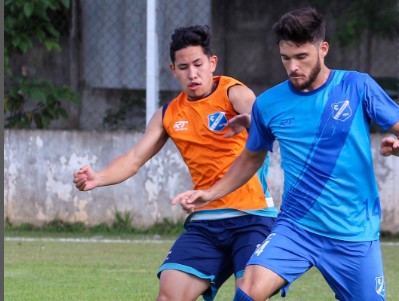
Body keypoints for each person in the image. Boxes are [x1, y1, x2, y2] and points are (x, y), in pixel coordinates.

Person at [172, 7, 399, 301]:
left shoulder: (356, 86)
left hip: (353, 233)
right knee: (248, 290)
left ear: (322, 49)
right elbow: (251, 159)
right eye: (285, 58)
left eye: (301, 57)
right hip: (296, 228)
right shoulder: (269, 104)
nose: (293, 67)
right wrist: (210, 194)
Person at [73, 25, 277, 301]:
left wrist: (253, 121)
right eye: (183, 67)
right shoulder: (168, 114)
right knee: (168, 297)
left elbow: (264, 125)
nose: (192, 73)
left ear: (212, 63)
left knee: (249, 295)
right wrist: (99, 178)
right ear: (173, 70)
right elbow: (134, 158)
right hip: (206, 223)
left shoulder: (234, 93)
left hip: (252, 217)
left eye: (198, 64)